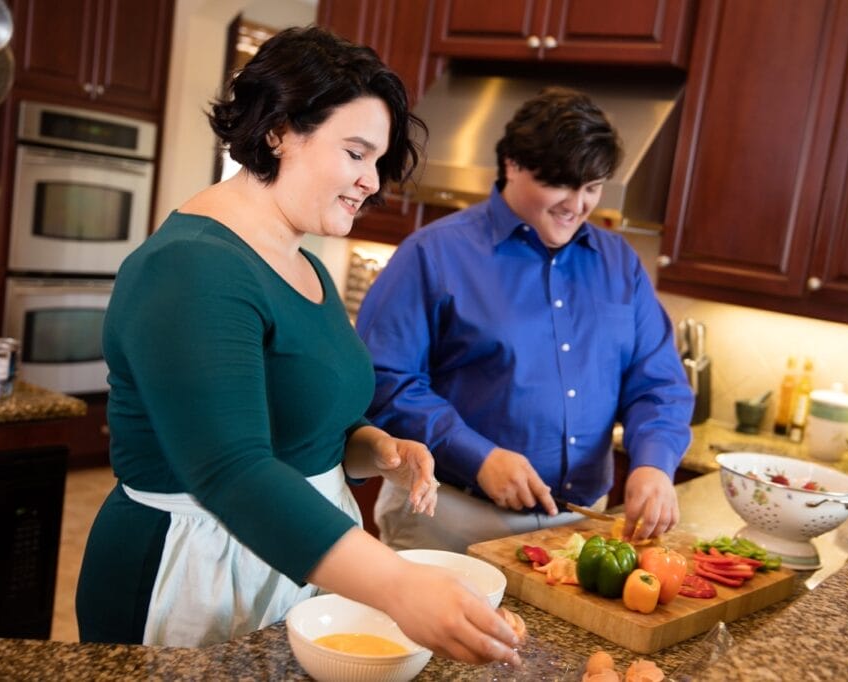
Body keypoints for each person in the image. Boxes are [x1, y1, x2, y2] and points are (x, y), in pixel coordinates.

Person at [75, 26, 521, 666]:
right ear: (279, 130)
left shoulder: (302, 263)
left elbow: (307, 426)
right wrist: (397, 584)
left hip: (295, 560)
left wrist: (376, 450)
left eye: (377, 160)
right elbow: (233, 469)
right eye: (356, 152)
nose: (371, 181)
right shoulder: (190, 267)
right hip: (193, 573)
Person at [356, 87, 694, 553]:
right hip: (451, 518)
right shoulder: (433, 253)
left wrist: (654, 463)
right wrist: (479, 457)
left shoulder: (620, 263)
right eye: (561, 184)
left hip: (580, 526)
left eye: (593, 187)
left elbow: (658, 384)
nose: (577, 204)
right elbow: (383, 380)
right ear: (512, 164)